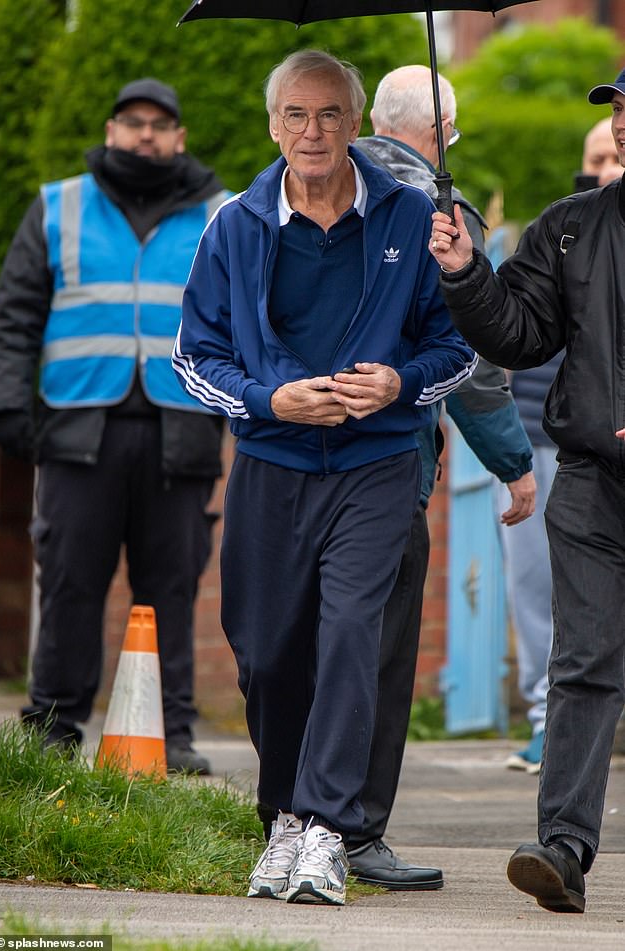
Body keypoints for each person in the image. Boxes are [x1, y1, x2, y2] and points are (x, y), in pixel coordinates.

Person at [173, 49, 477, 906]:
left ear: (357, 124)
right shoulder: (234, 224)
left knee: (350, 632)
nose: (313, 132)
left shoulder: (413, 216)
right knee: (268, 653)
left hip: (376, 464)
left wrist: (401, 383)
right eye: (297, 116)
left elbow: (455, 350)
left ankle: (325, 827)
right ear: (274, 125)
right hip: (271, 463)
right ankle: (284, 817)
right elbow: (194, 359)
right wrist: (271, 398)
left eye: (331, 115)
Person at [332, 64, 536, 888]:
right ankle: (355, 833)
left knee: (306, 642)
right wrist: (515, 463)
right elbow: (476, 366)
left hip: (293, 454)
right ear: (441, 131)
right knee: (378, 656)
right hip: (391, 462)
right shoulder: (441, 212)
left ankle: (292, 817)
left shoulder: (308, 184)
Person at [0, 78, 230, 775]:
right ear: (110, 129)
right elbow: (14, 317)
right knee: (68, 580)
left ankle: (172, 736)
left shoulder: (219, 215)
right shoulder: (58, 205)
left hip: (181, 429)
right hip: (77, 430)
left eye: (160, 124)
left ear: (180, 137)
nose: (146, 134)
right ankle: (52, 728)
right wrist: (8, 403)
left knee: (173, 586)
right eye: (133, 122)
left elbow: (241, 320)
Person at [428, 67, 625, 915]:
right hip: (591, 484)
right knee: (581, 661)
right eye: (619, 110)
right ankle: (565, 849)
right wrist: (469, 272)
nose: (621, 124)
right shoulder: (573, 230)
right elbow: (518, 330)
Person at [502, 115, 622, 775]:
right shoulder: (567, 230)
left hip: (595, 439)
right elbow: (520, 330)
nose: (608, 164)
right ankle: (548, 721)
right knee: (539, 589)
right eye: (597, 153)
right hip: (548, 435)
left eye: (614, 155)